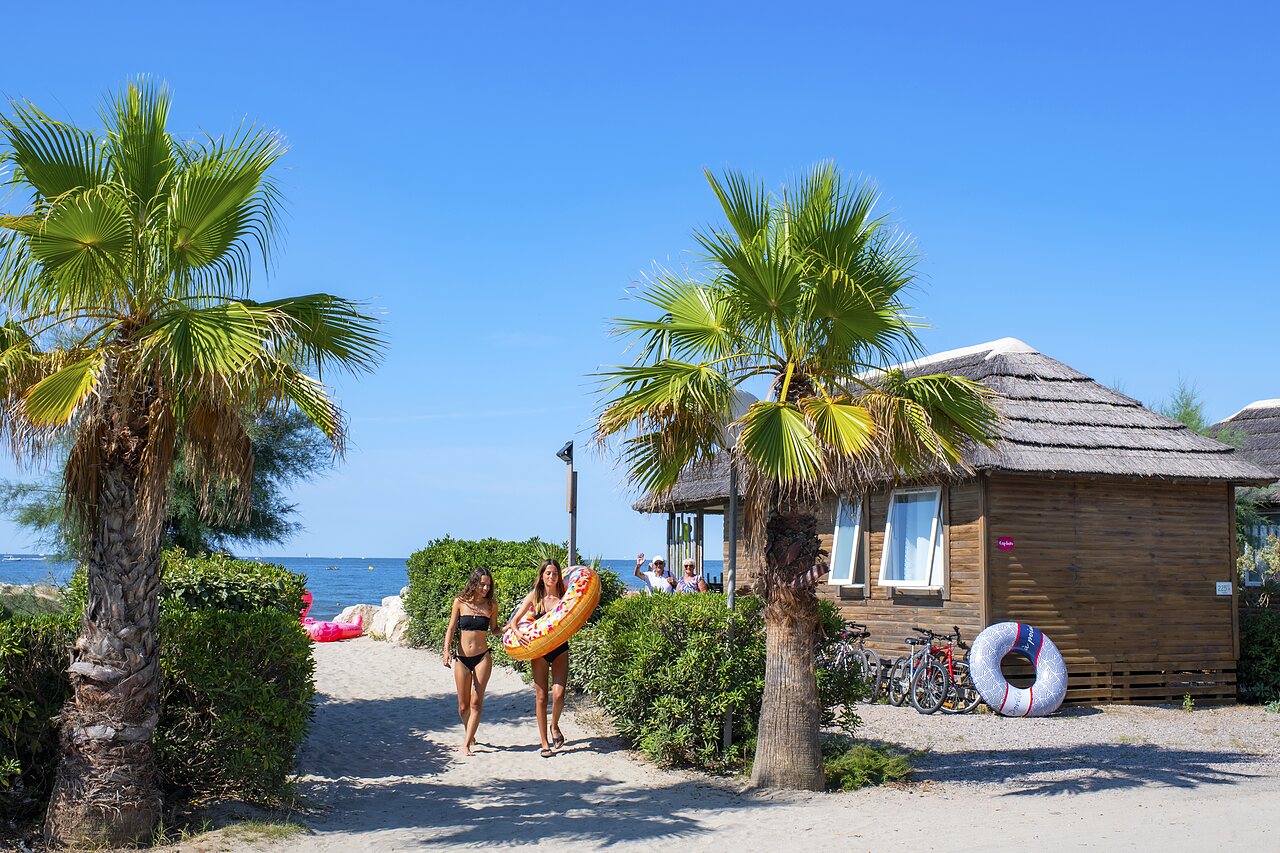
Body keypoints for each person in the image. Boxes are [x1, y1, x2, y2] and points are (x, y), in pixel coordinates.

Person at [506, 558, 570, 758]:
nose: (552, 576)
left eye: (555, 573)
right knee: (541, 697)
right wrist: (517, 633)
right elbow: (514, 621)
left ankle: (554, 725)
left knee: (559, 694)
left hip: (560, 647)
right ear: (542, 576)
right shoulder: (535, 596)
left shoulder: (565, 595)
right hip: (539, 650)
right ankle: (544, 743)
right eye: (548, 573)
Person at [441, 566, 501, 756]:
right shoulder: (459, 602)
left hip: (482, 657)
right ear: (474, 583)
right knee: (463, 706)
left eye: (488, 585)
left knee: (476, 703)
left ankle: (466, 744)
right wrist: (446, 651)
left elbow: (494, 630)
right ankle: (471, 734)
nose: (485, 588)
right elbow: (451, 628)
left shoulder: (491, 605)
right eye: (482, 584)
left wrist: (509, 628)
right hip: (461, 658)